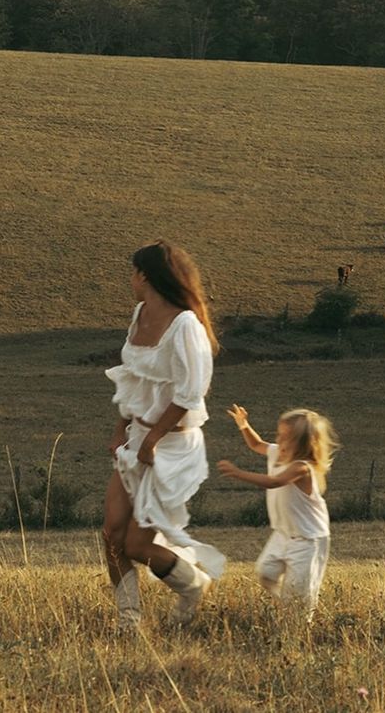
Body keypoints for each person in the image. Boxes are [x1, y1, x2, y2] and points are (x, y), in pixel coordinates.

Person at [102, 240, 226, 632]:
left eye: (133, 273)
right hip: (138, 437)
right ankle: (129, 623)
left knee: (137, 545)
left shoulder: (186, 325)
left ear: (145, 275)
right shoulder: (139, 314)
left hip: (171, 445)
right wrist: (123, 429)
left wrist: (153, 437)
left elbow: (190, 393)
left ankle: (193, 585)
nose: (131, 281)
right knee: (111, 535)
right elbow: (134, 379)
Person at [218, 405, 337, 621]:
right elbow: (256, 444)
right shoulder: (276, 452)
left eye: (285, 438)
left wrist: (238, 473)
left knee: (300, 596)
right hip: (282, 534)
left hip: (308, 540)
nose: (279, 441)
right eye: (278, 435)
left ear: (303, 445)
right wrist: (244, 425)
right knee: (265, 573)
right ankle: (288, 605)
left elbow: (274, 482)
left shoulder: (302, 468)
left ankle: (300, 625)